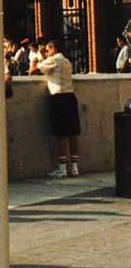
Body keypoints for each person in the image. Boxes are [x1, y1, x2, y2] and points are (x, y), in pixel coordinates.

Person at [30, 37, 81, 177]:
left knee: (60, 134)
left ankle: (62, 168)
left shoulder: (53, 60)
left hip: (58, 97)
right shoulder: (67, 61)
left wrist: (35, 58)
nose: (46, 53)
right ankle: (75, 167)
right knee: (72, 133)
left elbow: (33, 71)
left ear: (53, 49)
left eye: (47, 50)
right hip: (70, 96)